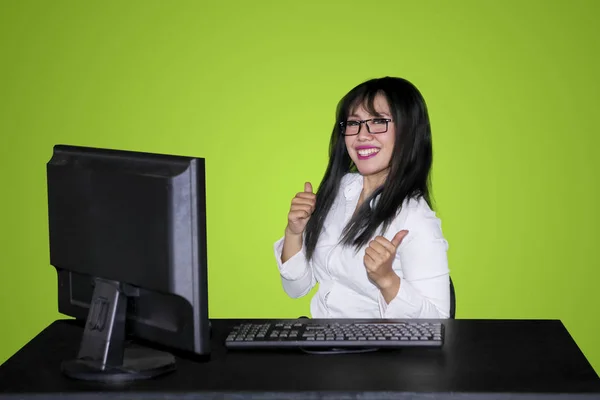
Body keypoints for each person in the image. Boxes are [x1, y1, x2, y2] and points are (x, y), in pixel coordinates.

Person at [273, 76, 450, 319]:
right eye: (354, 123)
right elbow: (296, 288)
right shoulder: (339, 191)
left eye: (378, 122)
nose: (362, 135)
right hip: (323, 345)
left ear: (408, 131)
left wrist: (387, 280)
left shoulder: (416, 218)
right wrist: (294, 232)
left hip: (377, 353)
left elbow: (438, 324)